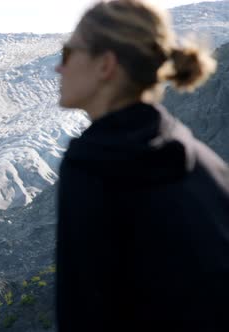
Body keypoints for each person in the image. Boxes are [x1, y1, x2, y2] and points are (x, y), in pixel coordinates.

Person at [54, 0, 229, 331]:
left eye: (68, 53)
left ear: (106, 64)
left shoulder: (95, 164)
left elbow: (84, 312)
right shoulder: (199, 156)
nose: (58, 68)